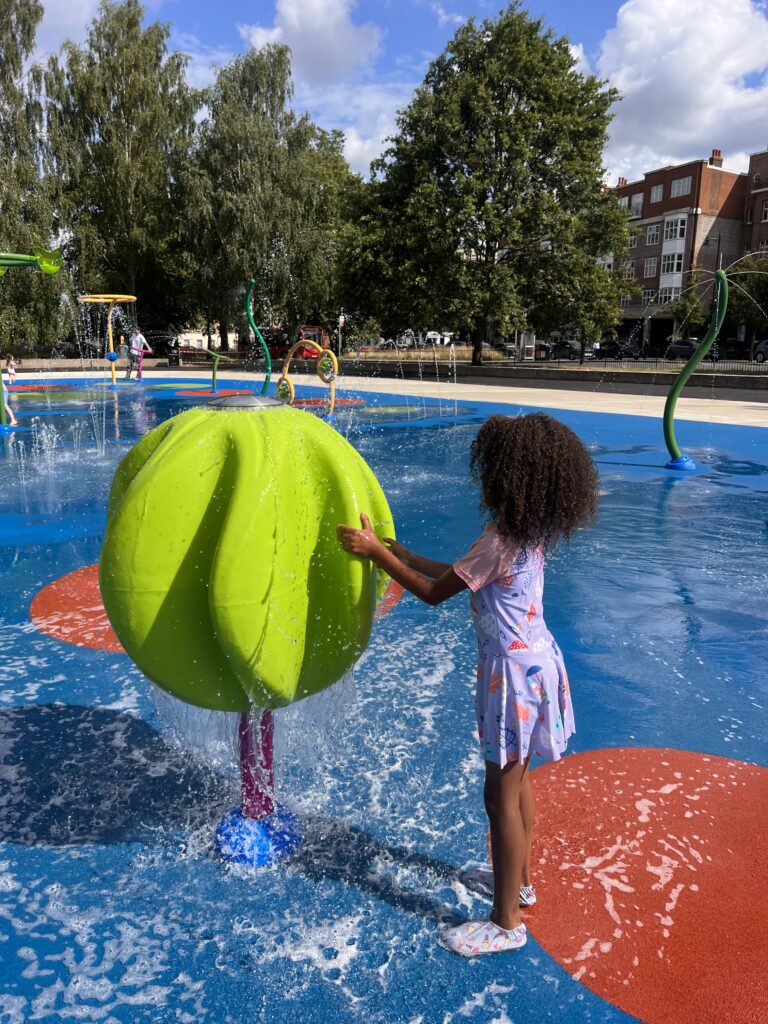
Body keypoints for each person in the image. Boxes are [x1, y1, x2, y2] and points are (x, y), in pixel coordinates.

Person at [337, 412, 598, 957]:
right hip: (539, 665)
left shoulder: (501, 538)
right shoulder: (528, 535)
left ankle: (505, 923)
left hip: (511, 677)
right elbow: (460, 574)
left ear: (508, 478)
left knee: (498, 795)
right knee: (518, 781)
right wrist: (405, 554)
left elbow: (434, 595)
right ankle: (520, 882)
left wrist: (376, 554)